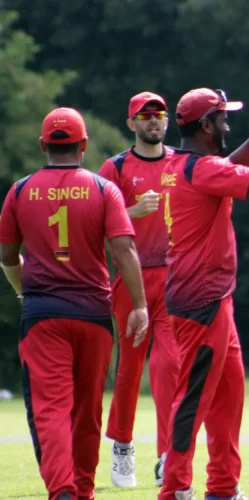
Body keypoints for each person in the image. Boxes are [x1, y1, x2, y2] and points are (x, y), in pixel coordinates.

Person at [157, 87, 249, 500]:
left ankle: (222, 488)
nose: (227, 124)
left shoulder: (182, 164)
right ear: (205, 125)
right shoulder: (201, 170)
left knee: (227, 397)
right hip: (201, 298)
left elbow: (230, 165)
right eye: (223, 118)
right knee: (194, 398)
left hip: (211, 298)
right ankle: (174, 488)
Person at [0, 107, 148, 500]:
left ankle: (63, 491)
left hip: (43, 315)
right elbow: (124, 250)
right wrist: (140, 305)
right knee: (87, 413)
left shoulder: (19, 190)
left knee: (50, 410)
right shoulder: (104, 189)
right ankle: (82, 490)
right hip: (94, 316)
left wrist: (22, 291)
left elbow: (8, 257)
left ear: (42, 144)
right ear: (83, 145)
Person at [98, 91, 180, 489]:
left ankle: (168, 453)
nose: (153, 121)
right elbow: (93, 227)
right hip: (132, 279)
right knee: (130, 369)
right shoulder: (114, 168)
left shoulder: (182, 163)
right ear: (131, 123)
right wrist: (131, 212)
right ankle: (123, 445)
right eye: (145, 115)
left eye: (159, 114)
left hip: (176, 278)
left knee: (171, 365)